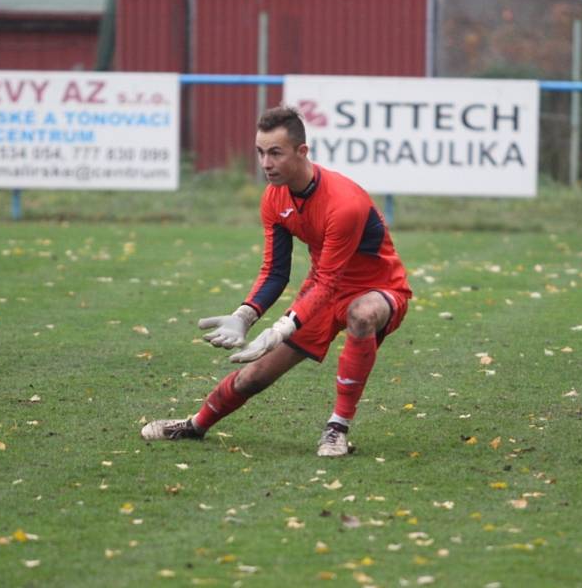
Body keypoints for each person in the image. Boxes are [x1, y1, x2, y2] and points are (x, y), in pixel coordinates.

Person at [140, 106, 411, 457]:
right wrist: (244, 315)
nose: (265, 163)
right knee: (254, 376)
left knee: (362, 314)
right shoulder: (273, 198)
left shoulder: (344, 202)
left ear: (302, 152)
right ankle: (195, 425)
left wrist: (281, 327)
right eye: (260, 152)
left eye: (275, 153)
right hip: (323, 293)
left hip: (379, 289)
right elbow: (275, 272)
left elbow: (329, 279)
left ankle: (336, 428)